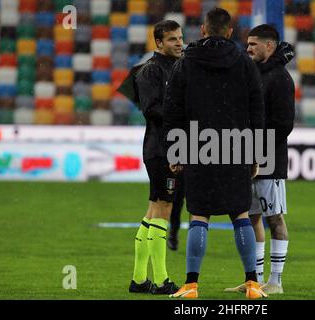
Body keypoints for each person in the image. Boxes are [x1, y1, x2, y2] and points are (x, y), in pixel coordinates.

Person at [163, 8, 267, 299]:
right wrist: (256, 152)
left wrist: (175, 150)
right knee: (240, 213)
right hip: (236, 146)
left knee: (199, 215)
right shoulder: (245, 64)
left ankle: (192, 285)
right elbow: (257, 108)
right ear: (230, 32)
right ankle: (253, 284)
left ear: (203, 31)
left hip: (198, 146)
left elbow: (173, 109)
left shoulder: (186, 64)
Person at [225, 24, 295, 295]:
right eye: (248, 43)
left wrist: (258, 148)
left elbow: (284, 124)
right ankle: (255, 279)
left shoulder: (280, 78)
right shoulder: (253, 75)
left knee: (274, 218)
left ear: (270, 46)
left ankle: (276, 281)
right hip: (246, 159)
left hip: (270, 161)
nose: (248, 48)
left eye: (254, 44)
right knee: (252, 216)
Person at [124, 20, 183, 295]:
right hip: (162, 149)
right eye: (172, 39)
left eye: (180, 38)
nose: (179, 43)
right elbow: (151, 109)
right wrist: (182, 118)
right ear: (158, 43)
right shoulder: (150, 71)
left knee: (152, 211)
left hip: (164, 147)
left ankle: (138, 279)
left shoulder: (175, 67)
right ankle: (160, 281)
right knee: (164, 210)